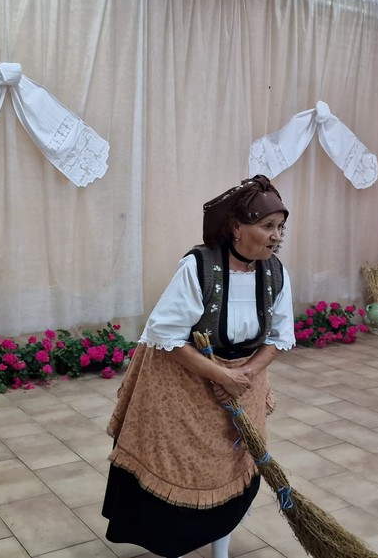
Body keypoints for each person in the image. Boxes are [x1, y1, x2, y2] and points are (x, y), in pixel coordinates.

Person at [102, 175, 296, 558]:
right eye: (267, 226)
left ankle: (219, 552)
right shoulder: (200, 267)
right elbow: (167, 334)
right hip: (185, 386)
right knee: (182, 472)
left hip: (244, 384)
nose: (276, 236)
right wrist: (221, 375)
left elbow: (279, 335)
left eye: (280, 228)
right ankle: (174, 546)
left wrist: (245, 375)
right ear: (237, 227)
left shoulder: (274, 273)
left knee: (232, 472)